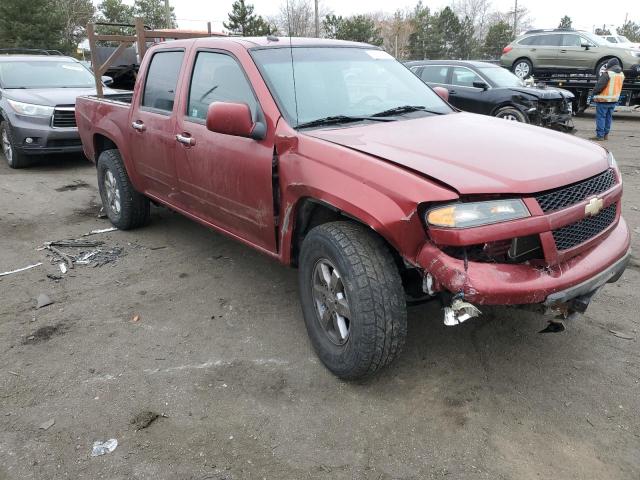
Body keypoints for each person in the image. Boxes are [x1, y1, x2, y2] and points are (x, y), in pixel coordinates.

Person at [590, 58, 624, 141]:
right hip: (614, 100)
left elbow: (599, 86)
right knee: (609, 117)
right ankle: (606, 135)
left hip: (603, 100)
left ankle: (600, 136)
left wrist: (593, 93)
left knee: (601, 117)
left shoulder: (607, 74)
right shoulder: (621, 74)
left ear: (610, 65)